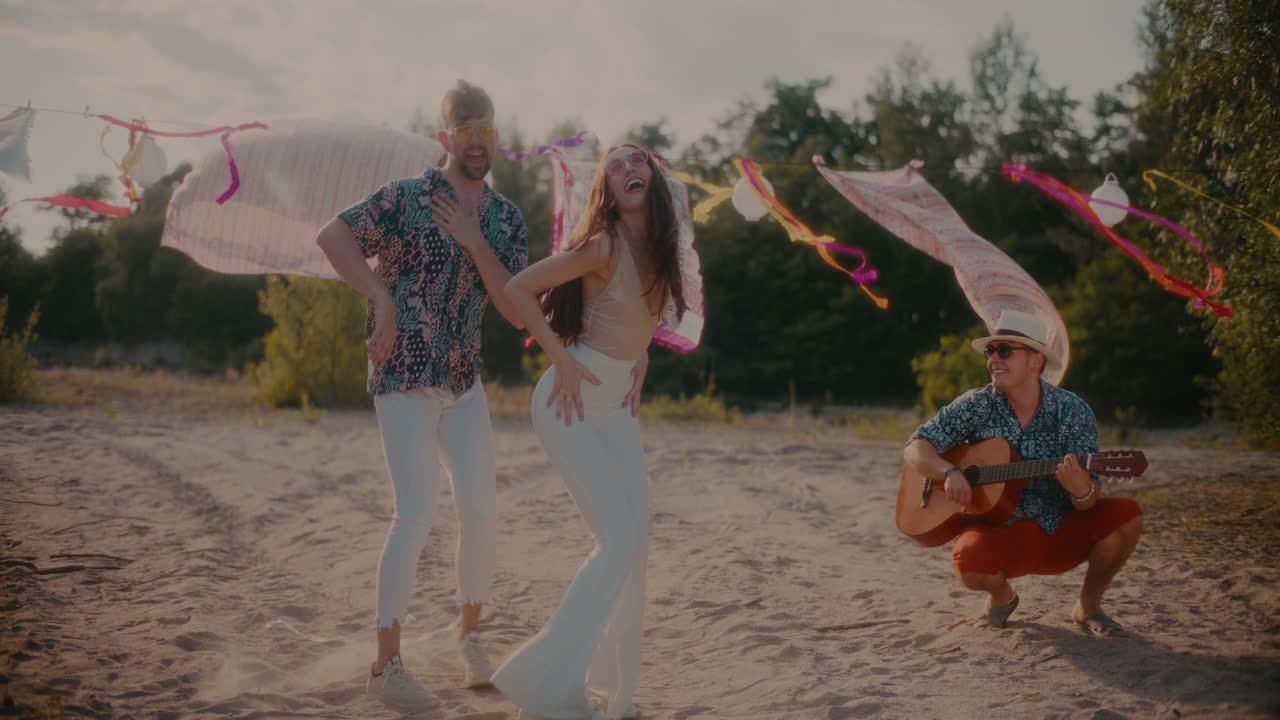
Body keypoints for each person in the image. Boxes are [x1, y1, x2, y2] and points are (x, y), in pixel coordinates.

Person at [315, 79, 528, 706]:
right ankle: (387, 668)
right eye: (464, 129)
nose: (476, 140)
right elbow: (334, 236)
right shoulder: (407, 198)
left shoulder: (505, 216)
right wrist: (378, 296)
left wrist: (473, 239)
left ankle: (470, 637)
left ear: (496, 136)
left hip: (464, 383)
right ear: (445, 138)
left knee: (481, 507)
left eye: (486, 128)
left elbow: (515, 305)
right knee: (415, 512)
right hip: (404, 374)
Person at [490, 144, 687, 720]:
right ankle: (545, 685)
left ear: (653, 176)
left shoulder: (664, 253)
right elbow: (517, 289)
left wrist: (641, 359)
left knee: (635, 550)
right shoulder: (602, 245)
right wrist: (563, 360)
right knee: (618, 540)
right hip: (567, 403)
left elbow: (630, 320)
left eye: (637, 160)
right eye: (616, 165)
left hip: (617, 408)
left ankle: (610, 687)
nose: (629, 168)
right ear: (607, 187)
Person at [902, 310, 1143, 637]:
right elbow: (915, 448)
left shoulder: (1072, 411)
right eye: (991, 351)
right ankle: (1002, 599)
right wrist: (949, 472)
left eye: (1005, 350)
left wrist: (1081, 489)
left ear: (1036, 360)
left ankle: (1088, 607)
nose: (993, 359)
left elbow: (1087, 503)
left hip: (1058, 529)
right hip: (1001, 531)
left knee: (1127, 515)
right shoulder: (977, 404)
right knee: (967, 561)